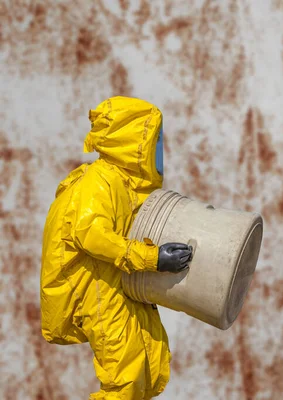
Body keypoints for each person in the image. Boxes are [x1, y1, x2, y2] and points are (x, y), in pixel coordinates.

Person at [40, 96, 193, 399]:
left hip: (115, 284)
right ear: (131, 140)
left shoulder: (123, 184)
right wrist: (152, 258)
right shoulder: (99, 181)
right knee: (125, 374)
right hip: (95, 288)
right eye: (153, 139)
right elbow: (91, 234)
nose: (158, 148)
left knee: (145, 362)